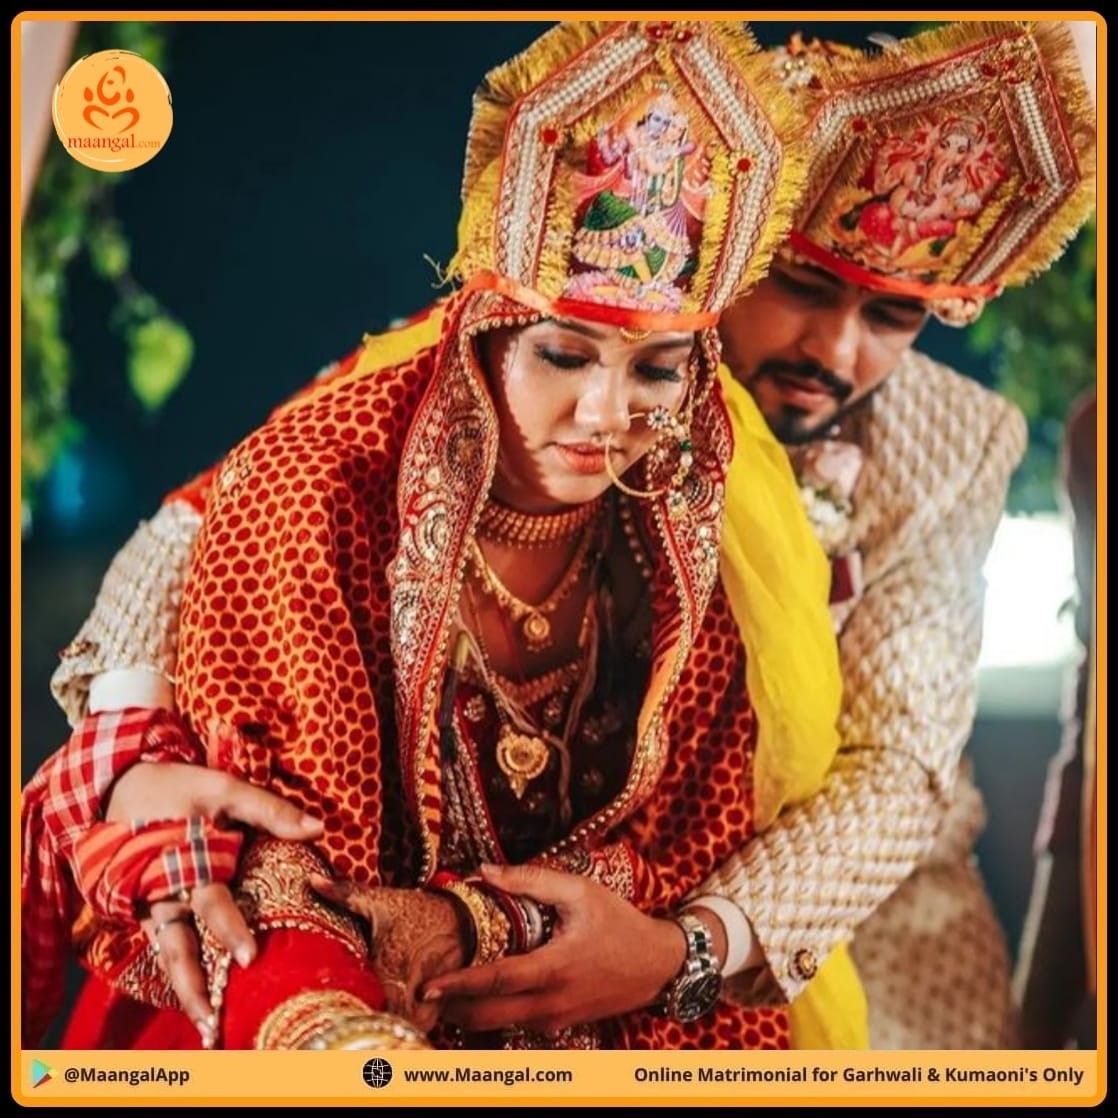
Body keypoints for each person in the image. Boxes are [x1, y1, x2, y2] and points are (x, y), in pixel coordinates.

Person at [23, 19, 854, 1051]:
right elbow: (284, 847)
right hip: (303, 977)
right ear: (477, 339)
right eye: (563, 354)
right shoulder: (324, 480)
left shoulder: (694, 523)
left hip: (585, 987)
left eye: (654, 370)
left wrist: (493, 922)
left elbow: (689, 837)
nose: (608, 412)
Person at [423, 19, 1097, 1050]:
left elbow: (898, 763)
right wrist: (134, 722)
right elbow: (261, 488)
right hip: (548, 895)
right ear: (731, 244)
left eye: (894, 316)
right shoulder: (579, 356)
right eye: (805, 289)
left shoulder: (955, 438)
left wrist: (680, 949)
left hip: (873, 922)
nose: (834, 350)